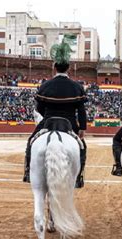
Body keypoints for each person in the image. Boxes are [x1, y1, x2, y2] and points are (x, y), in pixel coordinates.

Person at [23, 41, 87, 188]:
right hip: (70, 123)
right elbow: (81, 110)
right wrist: (82, 128)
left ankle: (27, 171)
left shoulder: (45, 86)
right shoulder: (77, 87)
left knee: (31, 141)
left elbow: (39, 108)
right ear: (68, 68)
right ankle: (79, 176)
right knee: (82, 146)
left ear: (54, 67)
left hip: (48, 121)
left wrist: (47, 114)